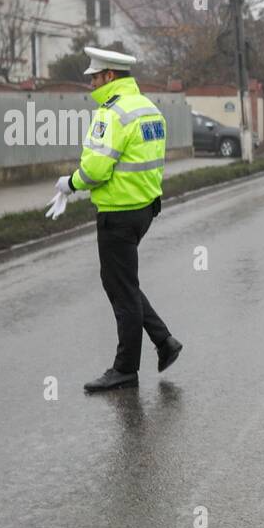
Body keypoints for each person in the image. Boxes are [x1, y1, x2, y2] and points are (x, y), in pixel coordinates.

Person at [52, 47, 182, 393]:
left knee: (120, 288)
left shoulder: (112, 114)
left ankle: (125, 369)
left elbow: (95, 169)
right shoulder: (148, 109)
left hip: (118, 213)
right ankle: (164, 340)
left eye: (94, 78)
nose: (91, 84)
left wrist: (70, 184)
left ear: (109, 76)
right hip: (145, 209)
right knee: (123, 282)